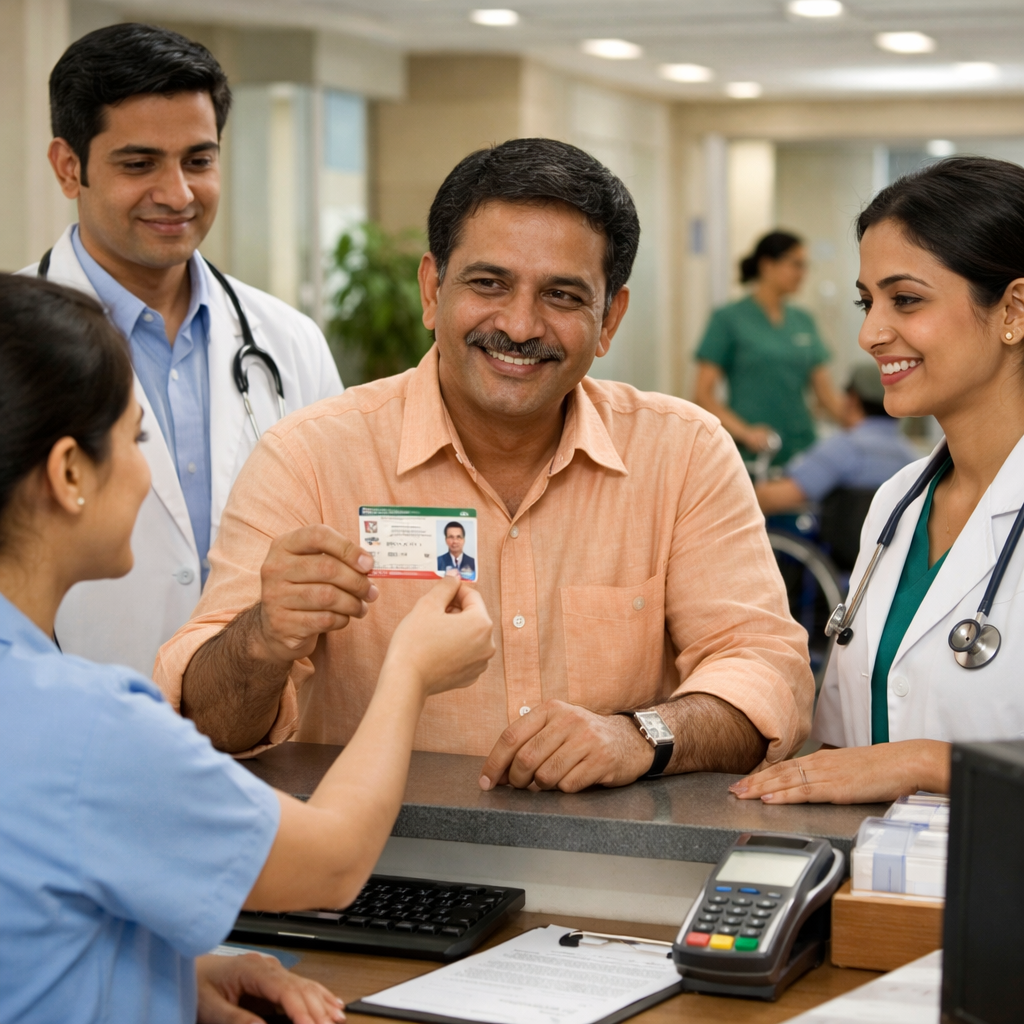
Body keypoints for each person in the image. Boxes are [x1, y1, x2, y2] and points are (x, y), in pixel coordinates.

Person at [154, 138, 813, 793]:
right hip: (375, 867)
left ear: (610, 318)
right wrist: (263, 638)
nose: (521, 326)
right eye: (489, 283)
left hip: (618, 866)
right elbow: (206, 726)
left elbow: (766, 674)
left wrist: (638, 735)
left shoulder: (683, 454)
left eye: (561, 295)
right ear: (431, 289)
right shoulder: (311, 460)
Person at [0, 275, 495, 1024]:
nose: (145, 474)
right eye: (137, 437)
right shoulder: (84, 730)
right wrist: (410, 670)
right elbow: (330, 864)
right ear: (70, 472)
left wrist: (168, 978)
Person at [20, 23, 342, 676]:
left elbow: (338, 528)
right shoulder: (12, 337)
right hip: (63, 730)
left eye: (198, 160)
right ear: (67, 166)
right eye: (139, 164)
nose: (178, 194)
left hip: (264, 730)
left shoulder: (288, 341)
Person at [731, 156, 1024, 805]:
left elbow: (894, 762)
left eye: (907, 300)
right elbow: (845, 749)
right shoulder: (898, 504)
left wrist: (926, 764)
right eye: (868, 302)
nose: (869, 333)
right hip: (875, 888)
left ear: (1014, 309)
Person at [694, 231, 849, 466]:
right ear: (767, 265)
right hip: (750, 454)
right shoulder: (728, 319)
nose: (802, 273)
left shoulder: (803, 321)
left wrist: (864, 428)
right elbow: (703, 395)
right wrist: (745, 432)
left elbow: (825, 393)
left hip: (802, 449)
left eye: (806, 266)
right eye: (796, 264)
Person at [755, 363, 919, 515]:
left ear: (852, 399)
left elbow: (773, 498)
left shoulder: (846, 447)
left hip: (835, 545)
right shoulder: (911, 457)